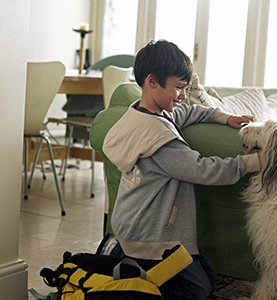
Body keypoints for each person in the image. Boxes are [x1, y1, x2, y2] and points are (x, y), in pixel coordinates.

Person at [102, 39, 261, 300]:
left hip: (138, 227)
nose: (183, 95)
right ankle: (134, 277)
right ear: (152, 81)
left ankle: (128, 260)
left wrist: (224, 117)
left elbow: (187, 112)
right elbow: (203, 170)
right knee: (197, 291)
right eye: (178, 88)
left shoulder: (145, 114)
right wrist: (254, 162)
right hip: (149, 237)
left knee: (208, 275)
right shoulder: (158, 139)